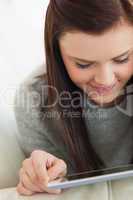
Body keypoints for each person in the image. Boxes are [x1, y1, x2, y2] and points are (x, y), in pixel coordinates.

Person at [14, 0, 133, 196]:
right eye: (84, 64)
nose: (106, 79)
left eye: (122, 59)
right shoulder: (33, 101)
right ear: (58, 54)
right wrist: (44, 176)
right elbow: (56, 183)